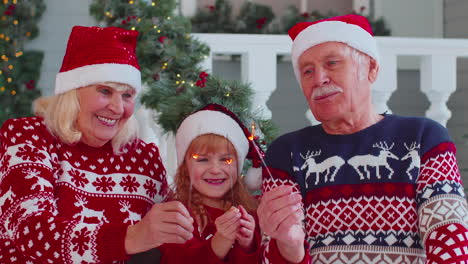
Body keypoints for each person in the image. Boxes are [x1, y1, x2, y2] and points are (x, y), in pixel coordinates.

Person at [257, 14, 468, 263]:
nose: (319, 79)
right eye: (307, 71)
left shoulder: (424, 139)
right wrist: (289, 246)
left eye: (332, 63)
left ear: (371, 68)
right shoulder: (286, 153)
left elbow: (451, 243)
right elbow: (270, 258)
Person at [0, 26, 194, 264]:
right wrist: (132, 237)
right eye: (105, 91)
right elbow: (31, 231)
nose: (117, 107)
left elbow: (175, 243)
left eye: (127, 95)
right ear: (73, 92)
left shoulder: (144, 158)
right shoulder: (29, 137)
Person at [159, 104, 263, 263]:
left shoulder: (250, 213)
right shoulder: (177, 215)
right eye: (202, 159)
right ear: (185, 167)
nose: (215, 169)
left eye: (226, 159)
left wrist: (247, 245)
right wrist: (220, 241)